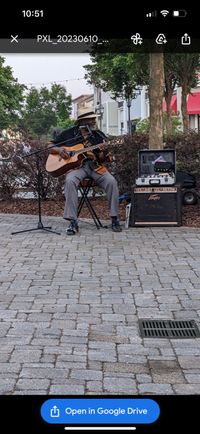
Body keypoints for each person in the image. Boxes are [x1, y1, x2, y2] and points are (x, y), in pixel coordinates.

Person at [49, 107, 122, 235]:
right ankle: (72, 221)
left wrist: (104, 150)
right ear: (83, 122)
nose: (94, 122)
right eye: (91, 120)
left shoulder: (98, 135)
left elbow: (102, 158)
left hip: (95, 167)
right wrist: (60, 150)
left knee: (111, 182)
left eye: (94, 119)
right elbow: (50, 145)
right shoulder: (69, 134)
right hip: (77, 168)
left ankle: (114, 218)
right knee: (70, 181)